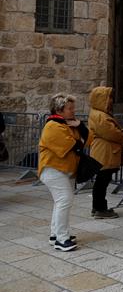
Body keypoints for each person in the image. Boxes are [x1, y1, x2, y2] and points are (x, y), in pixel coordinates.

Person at [38, 93, 86, 251]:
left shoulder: (65, 124)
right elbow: (74, 145)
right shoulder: (53, 126)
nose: (73, 111)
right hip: (53, 169)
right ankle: (61, 239)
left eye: (73, 108)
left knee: (61, 202)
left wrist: (80, 126)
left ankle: (55, 235)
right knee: (65, 200)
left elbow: (86, 140)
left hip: (65, 169)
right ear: (60, 110)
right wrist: (78, 133)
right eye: (70, 108)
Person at [87, 86, 123, 219]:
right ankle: (100, 209)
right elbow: (110, 133)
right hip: (104, 152)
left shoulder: (99, 114)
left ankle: (98, 207)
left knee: (102, 180)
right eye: (108, 97)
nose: (111, 100)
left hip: (106, 151)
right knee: (102, 181)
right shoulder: (99, 116)